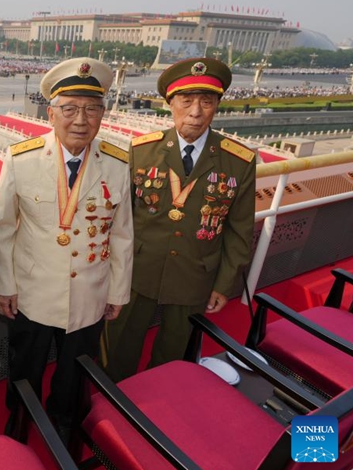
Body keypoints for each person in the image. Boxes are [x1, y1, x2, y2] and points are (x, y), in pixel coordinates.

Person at [0, 58, 133, 442]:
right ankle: (19, 428)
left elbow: (122, 234)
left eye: (91, 109)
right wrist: (5, 285)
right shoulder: (21, 160)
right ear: (51, 113)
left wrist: (118, 291)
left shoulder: (118, 166)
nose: (80, 119)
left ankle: (66, 428)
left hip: (89, 293)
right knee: (25, 371)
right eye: (69, 109)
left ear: (103, 114)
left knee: (74, 376)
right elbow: (3, 229)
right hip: (33, 292)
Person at [104, 57, 256, 382]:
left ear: (217, 105)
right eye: (186, 101)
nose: (196, 111)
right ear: (170, 104)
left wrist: (223, 284)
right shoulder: (142, 151)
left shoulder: (238, 161)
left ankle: (159, 409)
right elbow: (121, 218)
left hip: (195, 275)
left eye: (207, 101)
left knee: (172, 355)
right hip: (138, 270)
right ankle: (110, 404)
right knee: (118, 347)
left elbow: (239, 230)